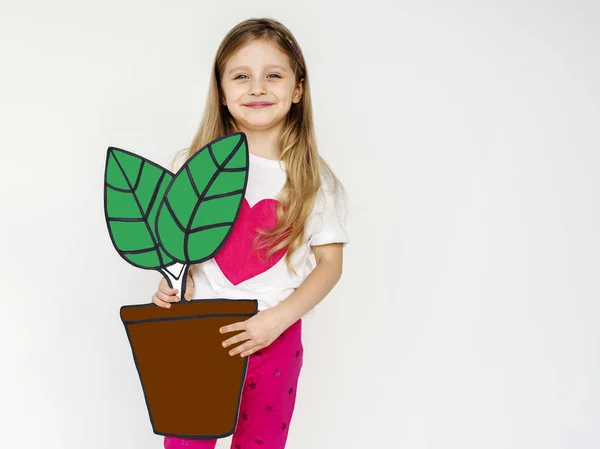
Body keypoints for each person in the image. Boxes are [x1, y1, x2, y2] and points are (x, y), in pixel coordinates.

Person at [153, 17, 349, 449]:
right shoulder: (194, 169)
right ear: (222, 93)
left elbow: (330, 265)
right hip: (198, 333)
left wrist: (276, 321)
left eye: (273, 75)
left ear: (298, 89)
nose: (257, 88)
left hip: (276, 338)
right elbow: (178, 253)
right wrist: (170, 288)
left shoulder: (315, 181)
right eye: (241, 76)